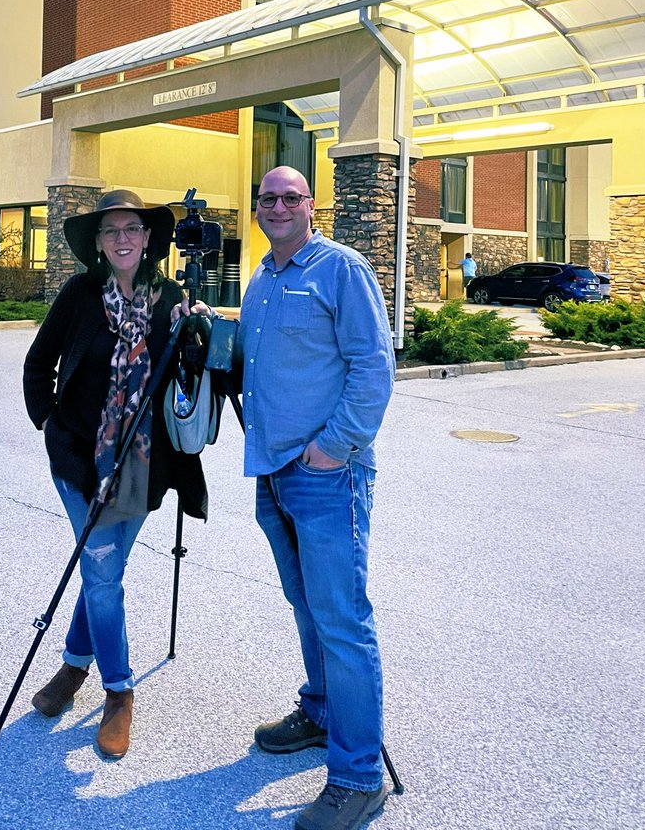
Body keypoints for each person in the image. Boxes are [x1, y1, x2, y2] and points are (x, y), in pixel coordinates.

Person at [23, 190, 207, 759]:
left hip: (143, 465)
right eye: (110, 232)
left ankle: (75, 666)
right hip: (80, 461)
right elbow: (38, 363)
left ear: (148, 237)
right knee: (103, 573)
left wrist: (195, 332)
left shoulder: (171, 296)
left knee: (101, 568)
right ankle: (119, 692)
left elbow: (190, 377)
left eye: (132, 228)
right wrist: (51, 424)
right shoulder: (79, 295)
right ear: (98, 244)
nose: (122, 239)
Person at [241, 166, 395, 830]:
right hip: (274, 472)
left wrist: (335, 446)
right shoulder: (262, 280)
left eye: (290, 197)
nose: (278, 205)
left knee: (342, 620)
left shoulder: (341, 268)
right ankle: (322, 712)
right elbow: (251, 360)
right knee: (307, 608)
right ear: (257, 210)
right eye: (268, 198)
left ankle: (359, 777)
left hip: (327, 475)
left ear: (311, 206)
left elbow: (374, 363)